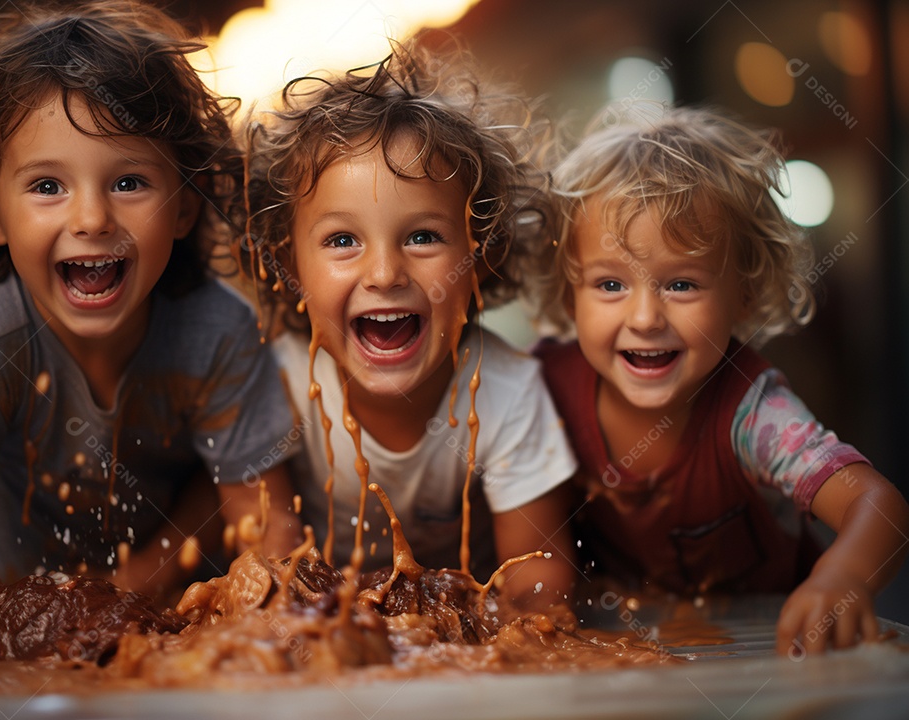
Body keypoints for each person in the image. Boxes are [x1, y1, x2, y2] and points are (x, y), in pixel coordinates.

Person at [0, 1, 303, 634]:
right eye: (47, 186)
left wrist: (268, 631)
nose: (91, 219)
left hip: (175, 613)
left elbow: (266, 516)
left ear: (186, 210)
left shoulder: (216, 332)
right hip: (14, 607)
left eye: (129, 181)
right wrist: (15, 630)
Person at [533, 103, 909, 655]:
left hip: (770, 655)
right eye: (610, 285)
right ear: (570, 295)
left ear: (745, 294)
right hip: (618, 658)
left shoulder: (751, 411)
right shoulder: (541, 389)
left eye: (681, 284)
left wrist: (842, 579)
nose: (644, 318)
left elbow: (880, 507)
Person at [239, 36, 578, 609]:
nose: (384, 272)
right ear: (284, 260)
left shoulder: (507, 391)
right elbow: (268, 577)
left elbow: (543, 587)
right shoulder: (273, 384)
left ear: (481, 254)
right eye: (342, 240)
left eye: (423, 236)